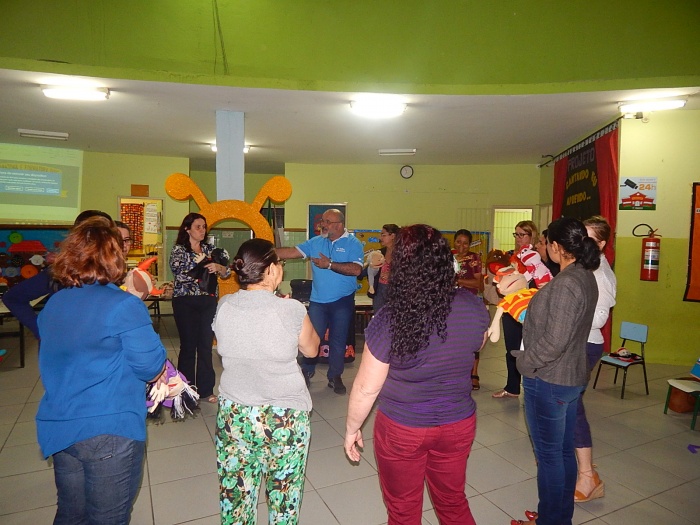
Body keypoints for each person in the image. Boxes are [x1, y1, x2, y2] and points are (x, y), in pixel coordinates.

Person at [344, 224, 489, 525]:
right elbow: (477, 343)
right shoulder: (473, 305)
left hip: (403, 428)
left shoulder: (391, 317)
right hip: (457, 424)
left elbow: (367, 388)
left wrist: (352, 428)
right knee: (453, 502)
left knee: (403, 509)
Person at [35, 216, 167, 524]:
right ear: (113, 257)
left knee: (71, 514)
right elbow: (150, 367)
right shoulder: (123, 305)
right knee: (108, 517)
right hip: (108, 429)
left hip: (62, 425)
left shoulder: (54, 303)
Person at [212, 238, 319, 524]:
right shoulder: (291, 309)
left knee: (236, 500)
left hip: (234, 415)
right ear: (271, 270)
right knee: (284, 498)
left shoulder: (224, 305)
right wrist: (290, 310)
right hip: (284, 418)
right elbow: (311, 349)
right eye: (280, 263)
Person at [511, 217, 599, 525]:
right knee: (562, 453)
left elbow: (554, 341)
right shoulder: (583, 275)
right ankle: (559, 518)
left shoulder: (567, 284)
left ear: (557, 247)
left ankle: (549, 520)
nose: (543, 248)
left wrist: (525, 363)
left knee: (549, 458)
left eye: (546, 243)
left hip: (549, 379)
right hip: (568, 377)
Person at [276, 209, 363, 395]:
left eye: (327, 222)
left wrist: (329, 264)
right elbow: (291, 252)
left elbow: (356, 270)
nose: (322, 224)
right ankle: (307, 371)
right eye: (322, 221)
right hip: (318, 301)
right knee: (311, 338)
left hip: (342, 301)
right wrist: (264, 252)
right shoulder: (315, 242)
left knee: (338, 340)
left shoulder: (353, 243)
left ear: (339, 225)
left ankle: (335, 376)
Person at [2, 210, 113, 340]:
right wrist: (40, 329)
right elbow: (13, 298)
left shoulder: (113, 272)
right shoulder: (60, 271)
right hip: (66, 344)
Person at [573, 216, 616, 502]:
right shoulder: (584, 265)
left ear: (600, 244)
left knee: (572, 407)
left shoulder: (600, 272)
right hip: (574, 343)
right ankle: (574, 465)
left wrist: (564, 318)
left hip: (585, 344)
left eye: (587, 238)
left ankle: (588, 476)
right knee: (566, 406)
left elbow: (600, 317)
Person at [170, 212, 230, 404]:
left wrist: (218, 268)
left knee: (205, 346)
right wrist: (201, 266)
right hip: (185, 301)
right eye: (198, 227)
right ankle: (186, 391)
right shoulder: (179, 250)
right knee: (188, 346)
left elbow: (227, 272)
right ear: (187, 229)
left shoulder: (211, 249)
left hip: (207, 301)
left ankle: (206, 390)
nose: (202, 230)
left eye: (204, 227)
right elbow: (179, 274)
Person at [493, 220, 539, 399]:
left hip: (531, 310)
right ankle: (512, 387)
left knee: (531, 350)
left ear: (532, 236)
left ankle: (533, 388)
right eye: (516, 234)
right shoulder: (511, 256)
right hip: (512, 307)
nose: (518, 238)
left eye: (522, 235)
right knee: (511, 349)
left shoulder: (537, 258)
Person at [454, 229, 485, 390]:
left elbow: (479, 284)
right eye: (458, 242)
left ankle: (474, 373)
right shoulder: (448, 257)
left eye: (465, 243)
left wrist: (458, 281)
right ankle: (456, 373)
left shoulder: (474, 258)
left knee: (472, 339)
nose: (462, 246)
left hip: (470, 303)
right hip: (451, 304)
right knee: (454, 340)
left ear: (470, 244)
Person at [370, 223, 399, 313]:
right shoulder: (379, 253)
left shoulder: (402, 254)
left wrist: (392, 275)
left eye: (383, 235)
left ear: (393, 236)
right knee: (379, 316)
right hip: (379, 290)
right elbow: (368, 271)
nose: (380, 238)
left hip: (395, 291)